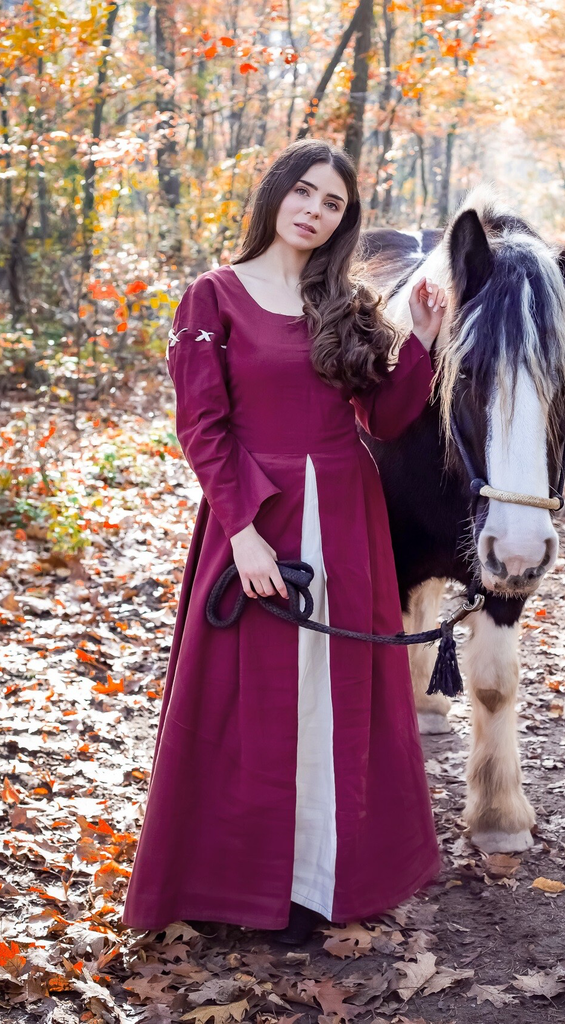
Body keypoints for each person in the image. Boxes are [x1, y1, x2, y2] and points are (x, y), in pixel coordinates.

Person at [120, 138, 448, 947]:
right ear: (276, 196)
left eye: (331, 203)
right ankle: (231, 881)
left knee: (337, 701)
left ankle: (325, 877)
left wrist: (429, 344)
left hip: (345, 517)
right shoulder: (213, 296)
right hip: (257, 517)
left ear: (344, 220)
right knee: (248, 701)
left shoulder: (345, 303)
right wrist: (242, 534)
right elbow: (202, 426)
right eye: (303, 192)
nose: (313, 210)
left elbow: (385, 418)